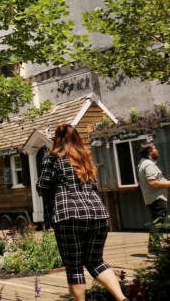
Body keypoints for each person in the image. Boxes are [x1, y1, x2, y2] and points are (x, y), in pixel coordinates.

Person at [36, 124, 127, 301]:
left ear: (57, 138)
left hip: (68, 216)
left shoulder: (52, 158)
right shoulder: (85, 158)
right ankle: (122, 298)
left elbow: (43, 185)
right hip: (97, 214)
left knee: (74, 266)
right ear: (76, 137)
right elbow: (94, 186)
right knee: (96, 261)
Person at [137, 142, 170, 257]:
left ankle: (155, 248)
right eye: (155, 148)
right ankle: (153, 250)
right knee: (157, 223)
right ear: (150, 151)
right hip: (156, 198)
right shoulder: (148, 164)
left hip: (152, 197)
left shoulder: (143, 163)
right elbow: (152, 182)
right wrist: (169, 183)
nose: (157, 150)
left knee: (157, 222)